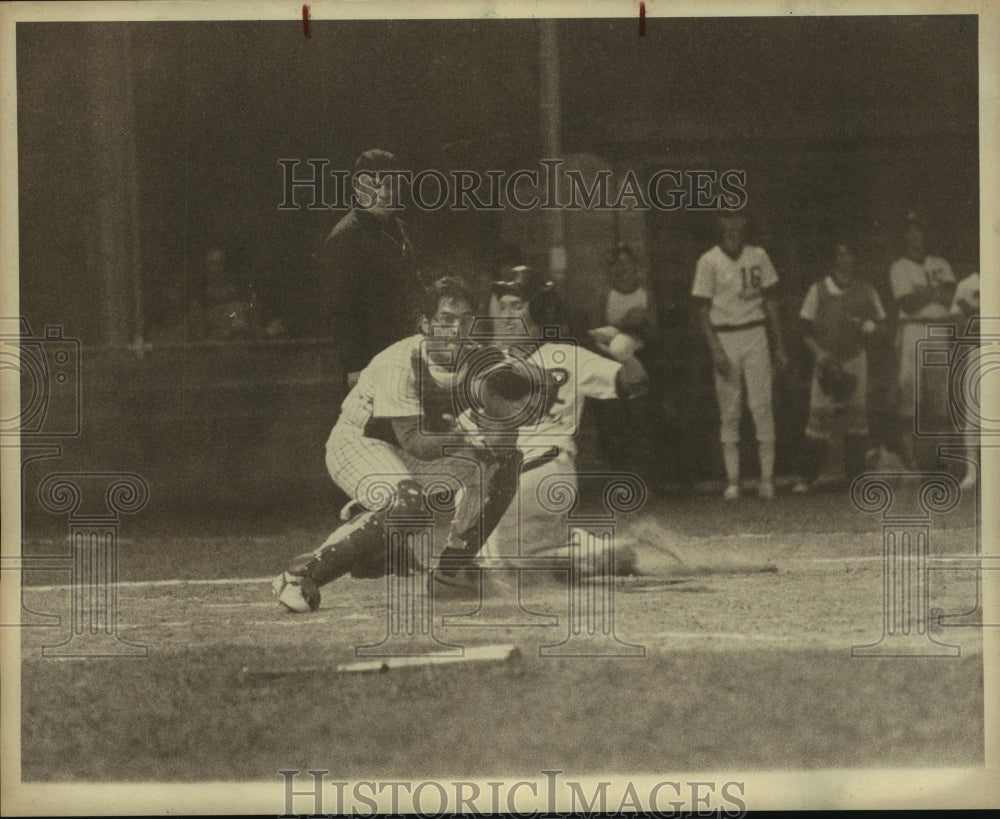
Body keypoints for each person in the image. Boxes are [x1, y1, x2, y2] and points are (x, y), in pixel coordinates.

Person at [271, 277, 526, 612]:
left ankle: (451, 572)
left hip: (410, 452)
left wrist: (510, 410)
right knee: (407, 502)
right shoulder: (400, 361)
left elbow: (505, 432)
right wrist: (466, 435)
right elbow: (416, 442)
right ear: (425, 324)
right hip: (360, 442)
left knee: (503, 463)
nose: (455, 330)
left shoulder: (478, 361)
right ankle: (299, 575)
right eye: (446, 320)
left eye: (464, 321)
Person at [478, 264, 649, 568]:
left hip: (545, 467)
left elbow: (634, 384)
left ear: (541, 312)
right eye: (502, 307)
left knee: (494, 557)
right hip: (516, 476)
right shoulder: (489, 362)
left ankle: (581, 554)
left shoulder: (567, 356)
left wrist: (625, 355)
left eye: (516, 306)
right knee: (505, 556)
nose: (505, 317)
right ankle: (592, 552)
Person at [691, 212, 789, 500]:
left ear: (745, 222)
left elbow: (771, 302)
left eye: (739, 217)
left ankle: (766, 479)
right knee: (730, 409)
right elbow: (701, 311)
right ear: (720, 222)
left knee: (761, 404)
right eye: (728, 218)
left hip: (755, 332)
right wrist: (716, 350)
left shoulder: (758, 255)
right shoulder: (709, 260)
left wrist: (779, 344)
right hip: (725, 335)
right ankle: (733, 480)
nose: (734, 224)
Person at [312, 148, 422, 379]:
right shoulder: (345, 237)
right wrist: (354, 368)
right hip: (366, 367)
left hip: (402, 358)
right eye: (373, 185)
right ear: (357, 188)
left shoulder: (399, 229)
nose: (383, 193)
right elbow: (339, 312)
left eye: (391, 184)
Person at [792, 241, 887, 493]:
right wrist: (819, 354)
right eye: (841, 254)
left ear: (856, 259)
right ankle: (806, 477)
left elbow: (883, 326)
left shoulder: (866, 290)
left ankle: (855, 477)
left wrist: (871, 327)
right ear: (834, 258)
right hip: (827, 361)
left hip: (855, 358)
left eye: (850, 254)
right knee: (819, 420)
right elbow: (803, 329)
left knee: (856, 420)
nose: (846, 259)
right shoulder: (819, 289)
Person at [889, 211, 957, 469]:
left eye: (919, 230)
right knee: (909, 395)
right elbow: (908, 302)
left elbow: (951, 297)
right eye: (910, 231)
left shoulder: (940, 263)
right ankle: (911, 462)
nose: (915, 235)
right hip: (913, 330)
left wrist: (923, 292)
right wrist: (934, 294)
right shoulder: (899, 266)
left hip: (939, 329)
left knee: (939, 397)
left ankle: (941, 459)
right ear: (905, 236)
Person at [950, 269, 980, 490]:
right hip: (978, 351)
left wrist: (977, 312)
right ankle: (972, 472)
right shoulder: (967, 284)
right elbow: (959, 324)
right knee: (974, 413)